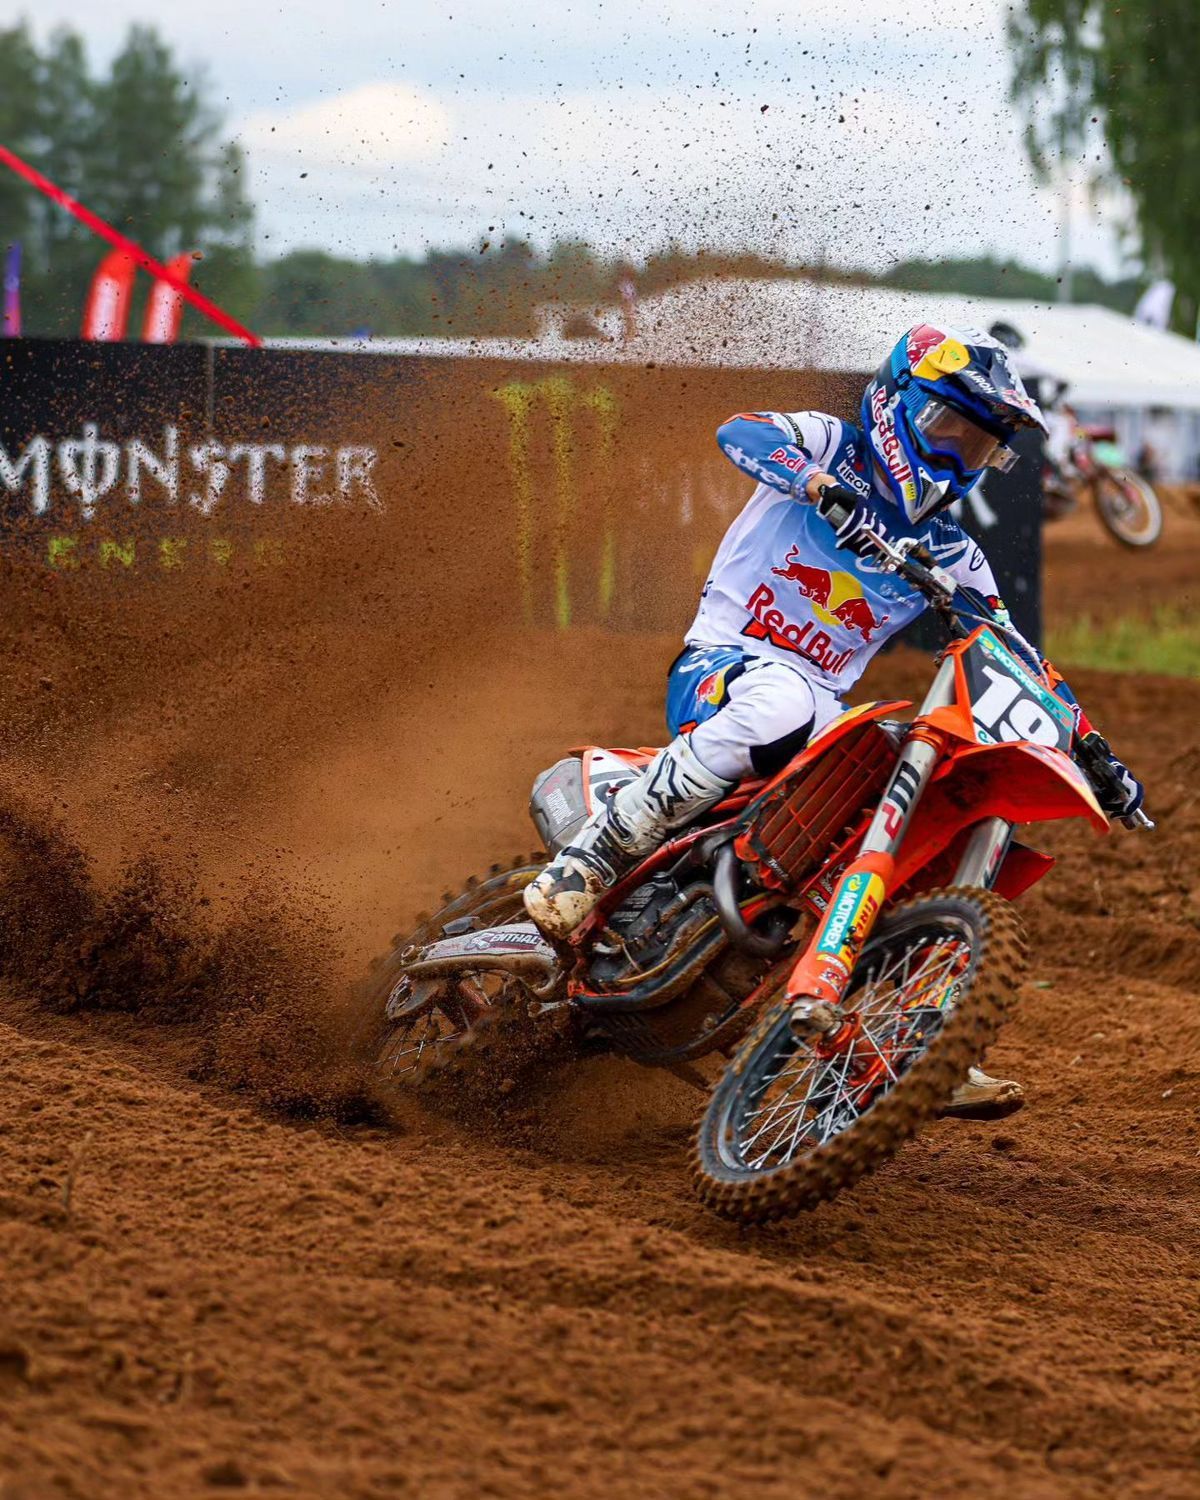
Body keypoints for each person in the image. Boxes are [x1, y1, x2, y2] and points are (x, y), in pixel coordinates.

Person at [524, 325, 1144, 1115]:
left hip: (819, 704)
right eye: (948, 431)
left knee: (930, 799)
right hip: (726, 664)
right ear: (900, 408)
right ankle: (596, 857)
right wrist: (819, 487)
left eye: (979, 448)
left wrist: (1090, 746)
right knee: (782, 700)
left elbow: (1017, 651)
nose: (957, 459)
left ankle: (906, 1038)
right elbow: (740, 434)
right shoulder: (831, 445)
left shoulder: (953, 553)